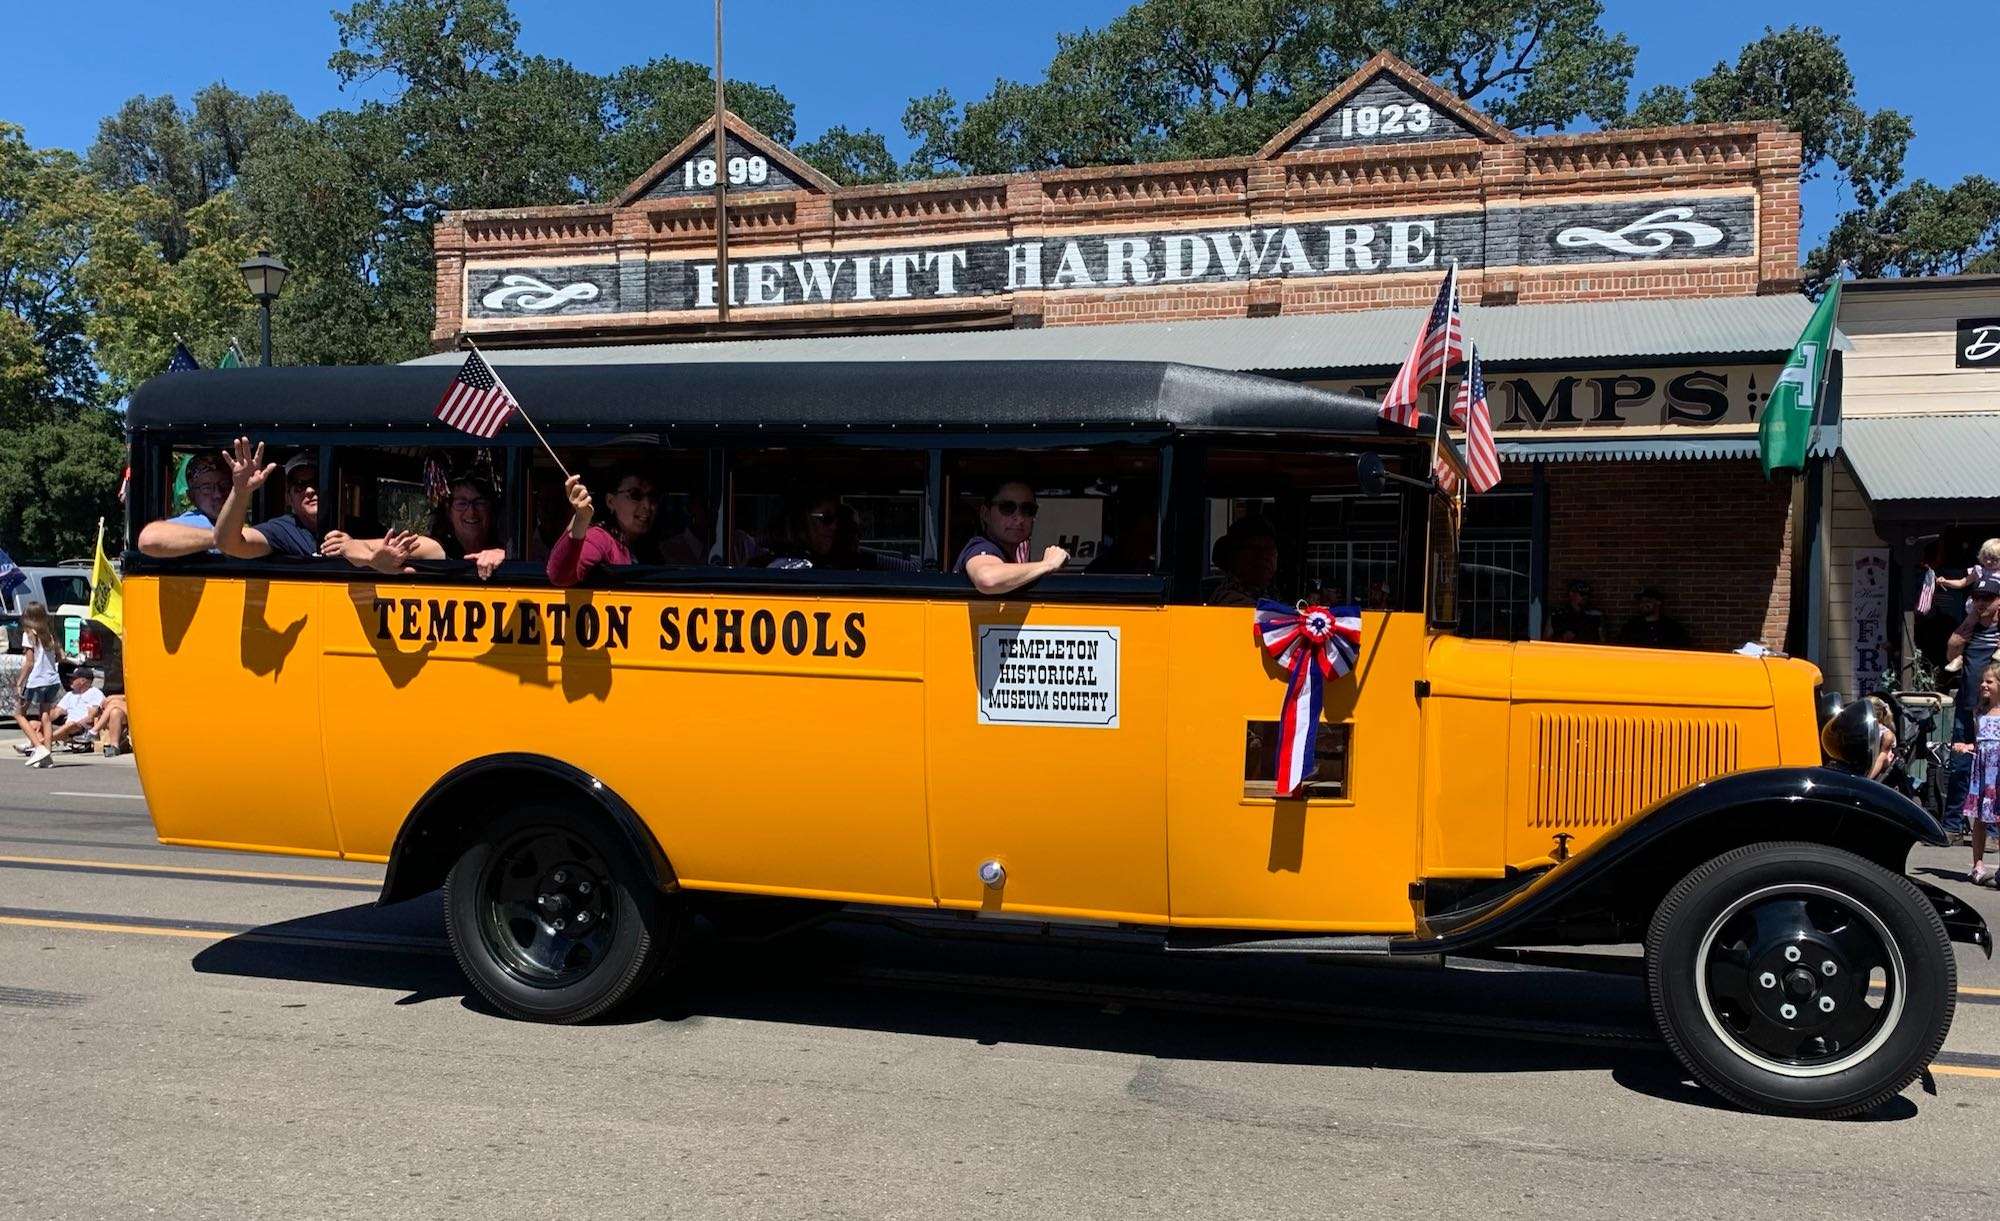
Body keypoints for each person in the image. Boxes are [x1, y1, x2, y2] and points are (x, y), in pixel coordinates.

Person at [321, 473, 508, 580]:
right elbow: (350, 546)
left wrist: (505, 557)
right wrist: (373, 560)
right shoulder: (437, 548)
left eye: (479, 502)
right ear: (448, 511)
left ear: (492, 509)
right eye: (461, 503)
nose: (471, 512)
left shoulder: (510, 543)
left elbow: (536, 559)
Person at [548, 462, 663, 588]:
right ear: (610, 501)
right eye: (635, 495)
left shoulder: (650, 548)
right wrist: (581, 518)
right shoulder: (600, 538)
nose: (647, 505)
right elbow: (559, 577)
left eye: (652, 496)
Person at [1945, 576, 2000, 823]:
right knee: (1960, 765)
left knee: (1995, 771)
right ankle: (1953, 824)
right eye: (1977, 598)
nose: (1981, 603)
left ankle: (1992, 828)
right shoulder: (1971, 627)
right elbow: (1951, 649)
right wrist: (1970, 619)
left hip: (1996, 710)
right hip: (1968, 705)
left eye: (1987, 598)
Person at [955, 479, 1069, 595]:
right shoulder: (981, 547)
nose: (1019, 518)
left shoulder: (1007, 556)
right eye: (1007, 508)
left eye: (1027, 509)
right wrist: (1048, 564)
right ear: (986, 514)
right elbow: (987, 579)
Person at [213, 438, 322, 559]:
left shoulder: (346, 528)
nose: (309, 491)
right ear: (289, 499)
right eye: (299, 486)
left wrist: (348, 549)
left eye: (317, 482)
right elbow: (228, 545)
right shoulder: (285, 530)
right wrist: (240, 492)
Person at [135, 451, 232, 558]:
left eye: (224, 484)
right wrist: (224, 539)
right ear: (191, 496)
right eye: (207, 488)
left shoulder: (237, 519)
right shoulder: (195, 521)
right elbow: (149, 539)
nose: (218, 494)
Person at [1955, 666, 2000, 886]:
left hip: (1999, 772)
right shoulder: (1979, 712)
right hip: (1982, 771)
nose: (1983, 685)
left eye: (1989, 682)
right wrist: (1966, 746)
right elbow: (1980, 742)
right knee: (1980, 819)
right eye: (1983, 681)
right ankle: (1977, 865)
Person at [12, 604, 61, 768]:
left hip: (36, 680)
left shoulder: (29, 635)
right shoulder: (49, 635)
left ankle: (38, 747)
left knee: (18, 714)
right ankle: (47, 754)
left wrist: (19, 682)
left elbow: (29, 663)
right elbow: (60, 656)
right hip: (52, 679)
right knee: (45, 716)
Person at [1941, 539, 2000, 674]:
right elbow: (1962, 582)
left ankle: (1997, 656)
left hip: (1996, 608)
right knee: (1965, 629)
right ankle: (1958, 658)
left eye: (1994, 559)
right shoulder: (1979, 571)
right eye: (1986, 558)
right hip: (1978, 607)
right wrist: (1946, 582)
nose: (1989, 562)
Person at [1207, 516, 1280, 607]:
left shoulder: (1267, 592)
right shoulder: (1230, 599)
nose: (1263, 556)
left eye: (1269, 548)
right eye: (1253, 548)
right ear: (1234, 556)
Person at [43, 665, 115, 755]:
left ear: (82, 681)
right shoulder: (70, 694)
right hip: (66, 727)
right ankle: (41, 744)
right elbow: (56, 712)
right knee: (35, 724)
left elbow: (91, 717)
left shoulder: (95, 693)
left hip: (82, 729)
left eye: (73, 678)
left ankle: (39, 744)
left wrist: (78, 724)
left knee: (70, 724)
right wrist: (45, 715)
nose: (70, 681)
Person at [1617, 586, 1691, 649]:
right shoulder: (1631, 626)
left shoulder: (1672, 628)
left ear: (1658, 602)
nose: (1644, 604)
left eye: (1648, 601)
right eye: (1641, 602)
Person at [1545, 579, 1604, 643]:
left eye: (1587, 595)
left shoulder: (1595, 616)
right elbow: (1546, 639)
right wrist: (1561, 638)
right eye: (1581, 594)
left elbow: (1602, 640)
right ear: (1572, 594)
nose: (1585, 597)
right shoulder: (1557, 615)